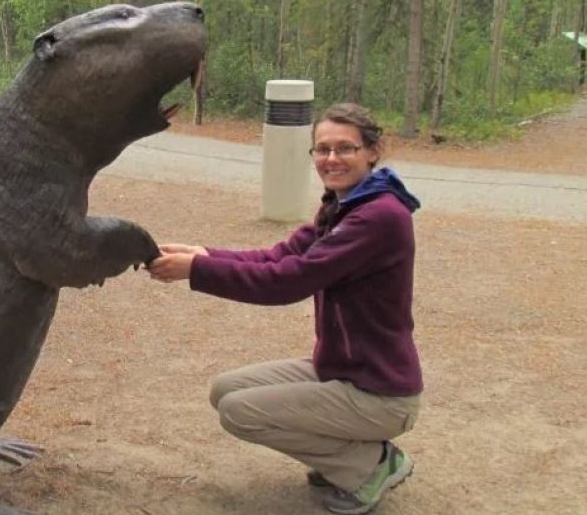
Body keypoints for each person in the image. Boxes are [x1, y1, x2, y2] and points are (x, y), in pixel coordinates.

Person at [147, 103, 423, 515]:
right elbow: (280, 255)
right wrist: (205, 253)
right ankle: (348, 455)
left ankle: (369, 465)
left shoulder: (378, 217)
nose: (331, 159)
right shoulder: (344, 205)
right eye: (322, 149)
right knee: (226, 390)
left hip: (380, 393)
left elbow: (287, 280)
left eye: (345, 149)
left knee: (240, 413)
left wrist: (197, 272)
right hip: (341, 370)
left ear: (373, 151)